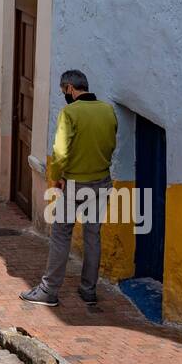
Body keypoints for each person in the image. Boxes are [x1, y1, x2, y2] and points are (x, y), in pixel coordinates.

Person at [21, 69, 118, 307]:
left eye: (64, 90)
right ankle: (88, 289)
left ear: (70, 89)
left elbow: (61, 152)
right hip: (102, 181)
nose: (64, 94)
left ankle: (49, 290)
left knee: (61, 234)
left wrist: (56, 177)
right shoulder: (108, 110)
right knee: (93, 234)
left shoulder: (70, 112)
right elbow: (111, 142)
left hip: (75, 183)